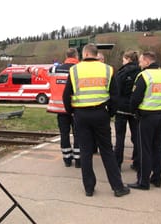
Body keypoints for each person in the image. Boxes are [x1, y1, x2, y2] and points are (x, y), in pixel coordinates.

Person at [63, 43, 130, 197]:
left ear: (85, 54)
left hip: (81, 115)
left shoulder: (74, 70)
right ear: (95, 54)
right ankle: (118, 187)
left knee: (86, 151)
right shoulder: (107, 69)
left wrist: (72, 112)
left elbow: (66, 96)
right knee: (107, 150)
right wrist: (110, 113)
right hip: (101, 114)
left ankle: (89, 188)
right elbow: (115, 95)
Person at [128, 51, 161, 190]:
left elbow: (135, 98)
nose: (139, 64)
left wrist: (134, 111)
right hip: (160, 115)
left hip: (146, 116)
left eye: (141, 62)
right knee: (157, 147)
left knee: (144, 149)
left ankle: (143, 181)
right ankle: (157, 178)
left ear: (147, 62)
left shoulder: (144, 76)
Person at [31, 48, 80, 168]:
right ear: (76, 56)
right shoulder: (80, 69)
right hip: (76, 109)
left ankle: (67, 159)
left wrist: (29, 69)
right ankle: (79, 160)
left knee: (64, 134)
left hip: (59, 109)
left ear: (66, 56)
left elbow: (40, 72)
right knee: (78, 134)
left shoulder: (54, 70)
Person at [113, 50, 141, 171]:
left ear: (128, 59)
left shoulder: (122, 72)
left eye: (123, 59)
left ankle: (117, 163)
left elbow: (116, 90)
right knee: (137, 137)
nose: (122, 61)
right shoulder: (141, 72)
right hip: (135, 108)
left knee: (120, 137)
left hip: (121, 108)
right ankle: (137, 162)